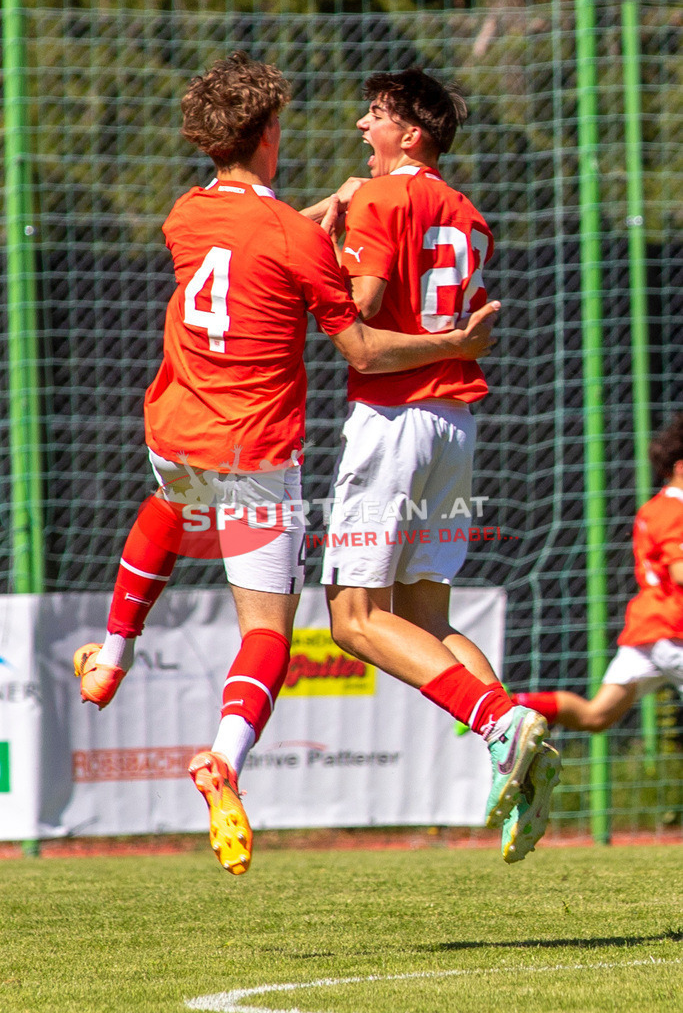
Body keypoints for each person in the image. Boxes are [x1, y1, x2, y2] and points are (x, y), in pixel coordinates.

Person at [73, 52, 499, 874]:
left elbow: (254, 242)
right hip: (263, 453)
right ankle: (225, 759)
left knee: (165, 507)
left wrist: (323, 212)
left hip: (177, 433)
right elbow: (363, 344)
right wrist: (452, 343)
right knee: (269, 635)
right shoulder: (302, 237)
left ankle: (114, 656)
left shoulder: (185, 216)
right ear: (270, 131)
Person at [319, 67, 560, 864]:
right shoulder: (467, 213)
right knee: (425, 620)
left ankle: (500, 723)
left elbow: (359, 304)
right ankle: (521, 764)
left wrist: (320, 243)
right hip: (455, 424)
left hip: (392, 420)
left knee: (352, 620)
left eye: (376, 116)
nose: (362, 126)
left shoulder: (385, 200)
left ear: (409, 134)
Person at [512, 414, 683, 732]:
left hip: (649, 628)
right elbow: (680, 572)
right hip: (673, 631)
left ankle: (512, 706)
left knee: (596, 716)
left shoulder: (655, 508)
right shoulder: (675, 510)